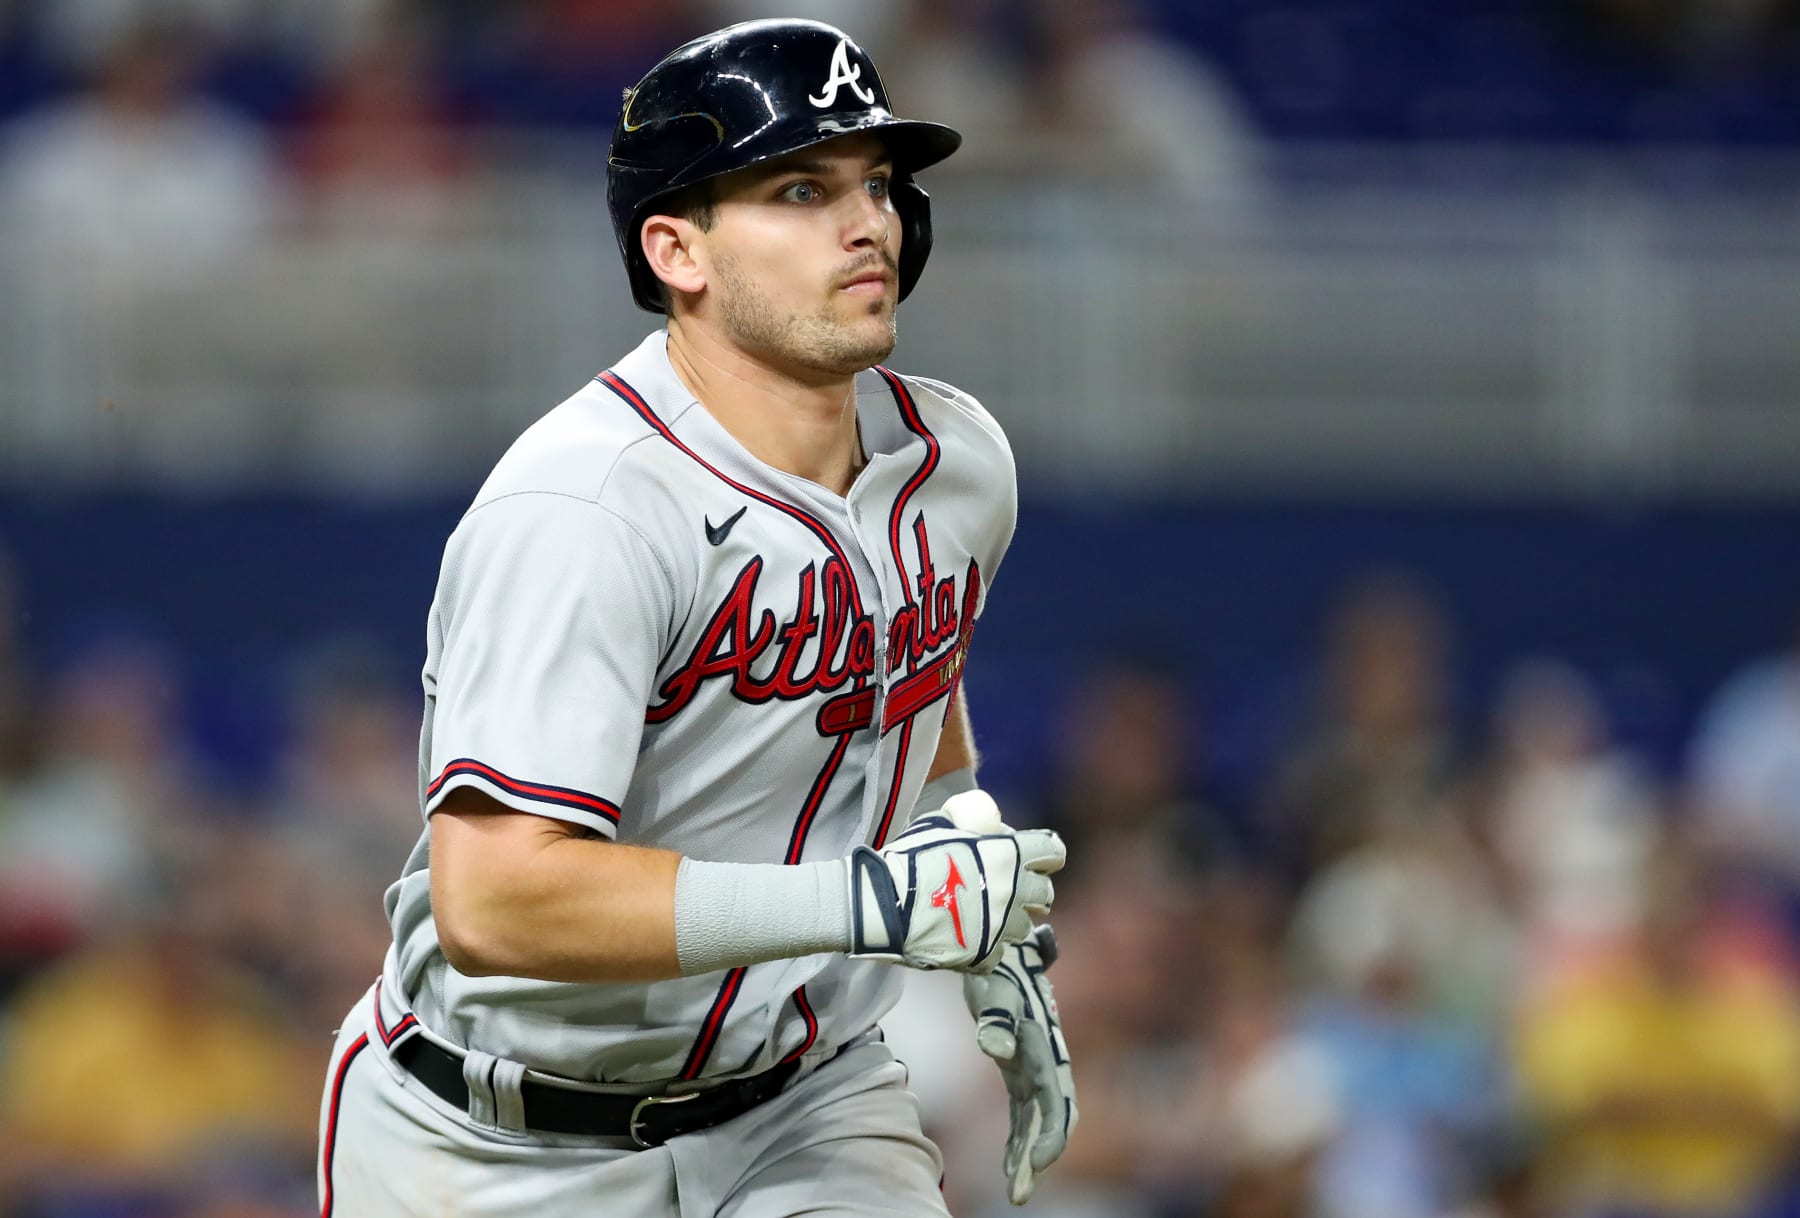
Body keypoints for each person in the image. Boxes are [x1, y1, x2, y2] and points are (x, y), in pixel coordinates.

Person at [317, 19, 1075, 1218]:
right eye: (798, 188)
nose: (866, 220)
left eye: (877, 182)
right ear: (677, 248)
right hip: (506, 1136)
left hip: (805, 1103)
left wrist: (982, 916)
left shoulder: (959, 462)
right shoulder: (587, 508)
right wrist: (868, 906)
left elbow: (912, 681)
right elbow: (495, 896)